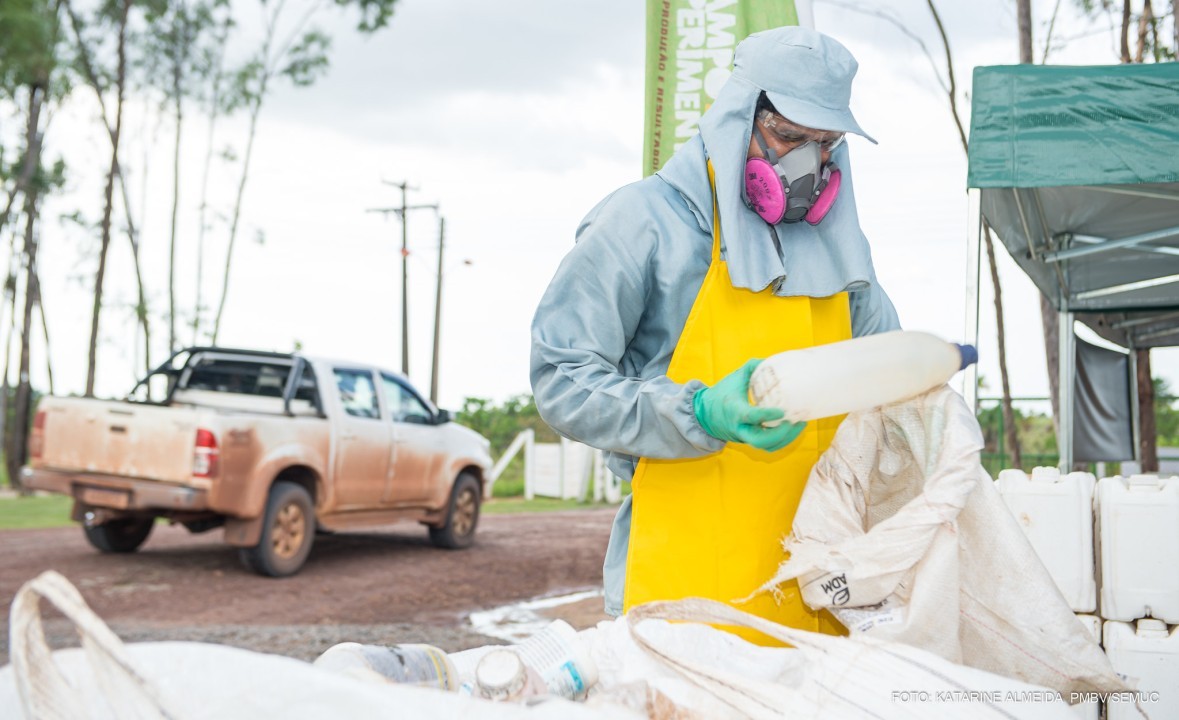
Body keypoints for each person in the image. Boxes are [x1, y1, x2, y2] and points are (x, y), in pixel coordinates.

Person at [529, 26, 900, 635]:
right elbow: (561, 378)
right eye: (789, 137)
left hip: (818, 592)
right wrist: (696, 413)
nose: (809, 164)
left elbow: (885, 379)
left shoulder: (841, 250)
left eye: (827, 143)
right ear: (736, 118)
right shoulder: (643, 222)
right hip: (683, 589)